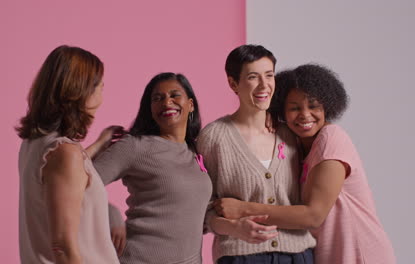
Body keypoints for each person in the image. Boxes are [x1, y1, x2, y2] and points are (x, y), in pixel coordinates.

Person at [214, 64, 396, 264]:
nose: (305, 115)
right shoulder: (296, 146)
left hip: (359, 253)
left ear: (327, 106)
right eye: (294, 108)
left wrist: (243, 209)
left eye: (313, 106)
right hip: (327, 255)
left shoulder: (331, 139)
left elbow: (313, 216)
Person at [197, 45, 316, 264]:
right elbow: (203, 208)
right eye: (253, 77)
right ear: (233, 84)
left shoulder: (290, 132)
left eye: (269, 75)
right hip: (240, 256)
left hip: (298, 254)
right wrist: (234, 228)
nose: (264, 85)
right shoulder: (214, 138)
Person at [91, 72, 212, 264]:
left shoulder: (197, 151)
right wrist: (110, 213)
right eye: (158, 98)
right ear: (150, 108)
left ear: (190, 105)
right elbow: (80, 185)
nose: (166, 102)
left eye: (174, 95)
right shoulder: (136, 146)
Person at [16, 45, 120, 264]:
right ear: (81, 91)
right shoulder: (64, 154)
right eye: (100, 85)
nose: (103, 91)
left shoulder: (33, 146)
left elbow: (67, 178)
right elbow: (63, 247)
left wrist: (100, 144)